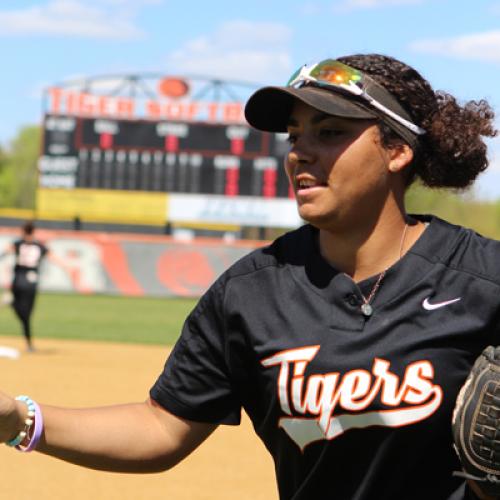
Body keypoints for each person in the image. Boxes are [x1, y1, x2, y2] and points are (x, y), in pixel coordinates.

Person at [0, 53, 498, 499]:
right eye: (295, 136)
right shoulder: (252, 291)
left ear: (397, 151)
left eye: (328, 132)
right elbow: (162, 427)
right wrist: (18, 420)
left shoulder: (484, 279)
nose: (300, 152)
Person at [1, 220, 48, 351]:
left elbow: (4, 253)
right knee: (27, 314)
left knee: (24, 313)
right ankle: (29, 344)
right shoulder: (39, 246)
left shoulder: (18, 243)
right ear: (33, 232)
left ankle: (11, 303)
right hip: (30, 283)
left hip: (18, 281)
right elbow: (54, 257)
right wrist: (68, 267)